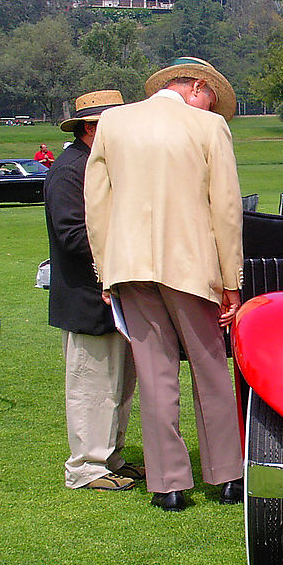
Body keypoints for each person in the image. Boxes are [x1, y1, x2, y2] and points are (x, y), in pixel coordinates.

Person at [85, 57, 245, 513]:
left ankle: (168, 483)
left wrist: (104, 271)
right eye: (214, 97)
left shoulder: (113, 123)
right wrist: (232, 281)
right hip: (192, 264)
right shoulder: (208, 127)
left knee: (154, 375)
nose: (215, 106)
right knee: (211, 368)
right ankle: (228, 475)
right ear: (197, 86)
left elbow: (96, 204)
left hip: (130, 264)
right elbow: (226, 210)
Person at [45, 89, 142, 492]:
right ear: (91, 128)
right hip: (87, 295)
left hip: (112, 291)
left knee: (118, 385)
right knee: (92, 386)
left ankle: (110, 458)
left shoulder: (96, 164)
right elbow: (73, 235)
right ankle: (86, 467)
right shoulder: (70, 170)